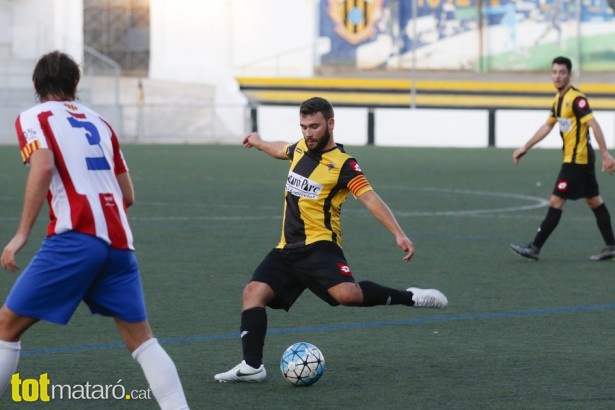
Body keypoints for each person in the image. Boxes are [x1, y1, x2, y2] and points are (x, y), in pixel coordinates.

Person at [0, 51, 189, 409]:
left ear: (36, 85)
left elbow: (42, 168)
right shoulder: (100, 122)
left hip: (75, 237)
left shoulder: (32, 117)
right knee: (143, 340)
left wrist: (21, 233)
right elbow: (127, 193)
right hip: (119, 243)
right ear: (75, 84)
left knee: (6, 326)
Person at [214, 96, 448, 383]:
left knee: (346, 296)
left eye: (314, 126)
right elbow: (281, 149)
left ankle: (411, 297)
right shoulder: (300, 148)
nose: (308, 133)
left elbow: (370, 198)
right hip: (287, 248)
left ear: (330, 123)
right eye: (303, 127)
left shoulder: (344, 165)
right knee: (253, 292)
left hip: (320, 246)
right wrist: (259, 140)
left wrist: (398, 233)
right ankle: (252, 366)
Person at [510, 56, 615, 261]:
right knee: (594, 201)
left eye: (562, 72)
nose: (557, 76)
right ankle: (611, 246)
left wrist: (605, 154)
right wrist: (526, 147)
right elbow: (547, 126)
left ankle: (534, 247)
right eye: (554, 72)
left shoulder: (577, 99)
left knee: (556, 201)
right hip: (580, 161)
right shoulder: (558, 100)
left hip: (576, 162)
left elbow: (593, 124)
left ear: (570, 74)